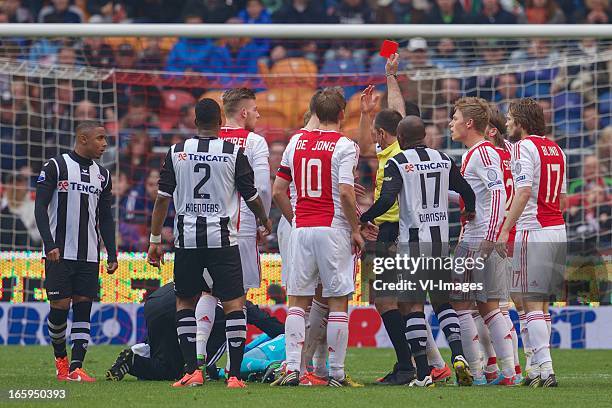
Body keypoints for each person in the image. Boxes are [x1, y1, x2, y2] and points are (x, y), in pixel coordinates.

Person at [146, 98, 271, 388]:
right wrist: (264, 220)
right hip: (223, 239)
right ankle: (235, 375)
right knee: (233, 303)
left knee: (186, 301)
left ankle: (192, 370)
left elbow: (162, 200)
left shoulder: (176, 152)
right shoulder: (233, 151)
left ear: (194, 122)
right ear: (219, 122)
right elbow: (251, 195)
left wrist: (154, 240)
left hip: (187, 240)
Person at [360, 115, 476, 387]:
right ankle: (459, 356)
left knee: (412, 306)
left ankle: (423, 373)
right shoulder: (444, 159)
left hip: (412, 244)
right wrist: (470, 210)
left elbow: (387, 199)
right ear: (424, 136)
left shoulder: (397, 162)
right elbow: (466, 191)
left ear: (400, 138)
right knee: (442, 303)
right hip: (439, 244)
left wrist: (365, 216)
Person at [272, 88, 364, 387]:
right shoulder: (345, 146)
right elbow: (347, 194)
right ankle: (335, 373)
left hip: (302, 230)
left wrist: (296, 218)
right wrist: (355, 229)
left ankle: (292, 368)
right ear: (341, 114)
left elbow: (277, 191)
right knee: (338, 301)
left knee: (298, 301)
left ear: (314, 112)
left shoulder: (296, 142)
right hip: (333, 229)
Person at [34, 121, 118, 382]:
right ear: (83, 138)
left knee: (83, 309)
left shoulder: (103, 175)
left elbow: (105, 218)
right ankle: (61, 361)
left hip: (89, 255)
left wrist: (112, 253)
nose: (105, 144)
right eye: (100, 138)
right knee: (59, 309)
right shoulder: (56, 166)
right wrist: (49, 245)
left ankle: (76, 367)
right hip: (60, 253)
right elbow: (40, 208)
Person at [496, 98, 567, 387]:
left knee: (531, 302)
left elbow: (523, 192)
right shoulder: (557, 149)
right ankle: (535, 368)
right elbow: (561, 196)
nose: (508, 123)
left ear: (522, 122)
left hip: (533, 229)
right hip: (557, 229)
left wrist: (504, 229)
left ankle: (546, 369)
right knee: (534, 302)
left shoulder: (524, 148)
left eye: (511, 118)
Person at [449, 97, 515, 386]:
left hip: (477, 239)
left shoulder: (483, 153)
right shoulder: (474, 154)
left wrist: (491, 236)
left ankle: (477, 372)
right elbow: (472, 195)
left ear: (469, 123)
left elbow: (498, 193)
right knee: (487, 306)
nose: (451, 122)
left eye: (455, 117)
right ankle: (507, 373)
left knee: (462, 304)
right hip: (476, 235)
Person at [106, 283, 284, 382]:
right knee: (177, 371)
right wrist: (291, 334)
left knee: (173, 349)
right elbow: (271, 326)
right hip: (176, 310)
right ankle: (135, 362)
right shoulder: (240, 305)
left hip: (157, 301)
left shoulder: (207, 277)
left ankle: (142, 353)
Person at [218, 88, 271, 296]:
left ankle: (203, 331)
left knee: (208, 292)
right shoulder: (255, 141)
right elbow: (263, 187)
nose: (258, 115)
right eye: (255, 110)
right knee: (237, 294)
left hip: (208, 226)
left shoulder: (210, 140)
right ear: (243, 113)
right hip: (243, 225)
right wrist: (263, 218)